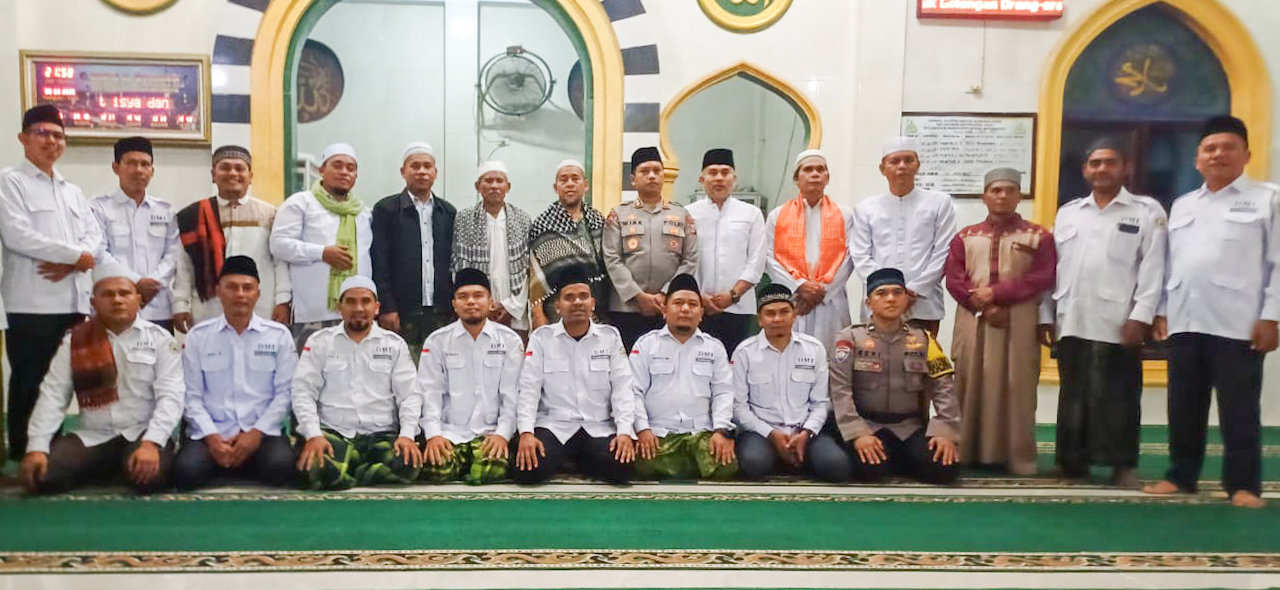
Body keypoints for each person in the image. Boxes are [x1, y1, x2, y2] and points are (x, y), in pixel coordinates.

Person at [1145, 116, 1278, 509]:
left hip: (1239, 323)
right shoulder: (1184, 205)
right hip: (1185, 320)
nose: (1218, 154)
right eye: (1210, 149)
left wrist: (1271, 316)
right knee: (1183, 406)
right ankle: (1181, 476)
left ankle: (1244, 485)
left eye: (1228, 147)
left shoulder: (1268, 199)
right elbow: (1172, 264)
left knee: (1239, 408)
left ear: (1246, 155)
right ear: (1197, 159)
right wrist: (1162, 311)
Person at [1041, 139, 1166, 487]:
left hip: (1120, 320)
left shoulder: (1145, 212)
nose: (1102, 169)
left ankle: (1121, 465)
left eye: (1110, 162)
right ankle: (1071, 464)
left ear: (1125, 168)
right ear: (1085, 170)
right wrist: (1045, 314)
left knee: (1120, 397)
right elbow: (1052, 268)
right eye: (1095, 163)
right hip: (1072, 317)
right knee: (1073, 396)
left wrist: (1141, 316)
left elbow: (1153, 268)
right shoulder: (1069, 213)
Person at [20, 263, 183, 494]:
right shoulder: (75, 341)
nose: (117, 300)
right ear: (93, 302)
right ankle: (109, 466)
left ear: (138, 300)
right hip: (93, 435)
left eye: (125, 293)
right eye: (108, 294)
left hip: (142, 432)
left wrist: (151, 443)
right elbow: (53, 395)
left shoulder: (160, 340)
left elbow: (171, 396)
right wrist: (37, 447)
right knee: (42, 478)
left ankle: (110, 467)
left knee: (151, 479)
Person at [0, 105, 102, 460]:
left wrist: (77, 260)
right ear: (23, 138)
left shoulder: (71, 190)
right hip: (31, 303)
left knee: (64, 380)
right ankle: (23, 452)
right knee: (30, 379)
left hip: (72, 302)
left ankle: (52, 448)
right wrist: (75, 257)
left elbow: (94, 236)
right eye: (43, 133)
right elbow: (17, 235)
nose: (52, 141)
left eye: (58, 135)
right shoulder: (10, 182)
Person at [945, 168, 1056, 475]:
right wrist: (982, 306)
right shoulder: (965, 236)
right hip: (973, 319)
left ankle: (1017, 457)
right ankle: (966, 452)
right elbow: (955, 279)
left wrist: (996, 294)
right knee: (970, 382)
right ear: (984, 196)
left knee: (1017, 386)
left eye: (1009, 190)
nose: (1002, 196)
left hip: (1019, 319)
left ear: (1019, 196)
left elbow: (1042, 276)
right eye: (996, 190)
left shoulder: (1038, 236)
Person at [173, 256, 298, 490]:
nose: (240, 294)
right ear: (218, 292)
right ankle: (230, 460)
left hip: (261, 432)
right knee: (186, 473)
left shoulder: (278, 336)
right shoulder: (199, 337)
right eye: (232, 287)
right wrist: (212, 438)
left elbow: (285, 394)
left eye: (247, 288)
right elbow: (190, 396)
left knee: (281, 468)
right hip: (212, 432)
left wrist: (255, 435)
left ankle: (232, 464)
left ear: (258, 293)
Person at [829, 268, 961, 484]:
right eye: (881, 293)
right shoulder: (850, 339)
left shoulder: (924, 340)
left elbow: (944, 388)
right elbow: (840, 390)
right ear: (868, 303)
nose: (890, 299)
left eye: (897, 293)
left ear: (906, 299)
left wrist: (944, 431)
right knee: (871, 471)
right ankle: (897, 461)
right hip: (869, 426)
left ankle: (903, 459)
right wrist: (858, 433)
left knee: (945, 469)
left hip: (909, 428)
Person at [292, 275, 423, 490]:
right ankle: (362, 469)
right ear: (339, 307)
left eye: (365, 301)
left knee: (409, 465)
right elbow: (303, 391)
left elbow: (410, 395)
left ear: (377, 307)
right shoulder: (320, 342)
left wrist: (407, 435)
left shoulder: (394, 344)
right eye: (351, 302)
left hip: (380, 435)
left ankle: (347, 470)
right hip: (333, 432)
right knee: (313, 464)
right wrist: (313, 435)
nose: (358, 308)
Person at [513, 265, 636, 484]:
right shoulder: (542, 338)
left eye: (583, 296)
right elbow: (529, 390)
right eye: (569, 298)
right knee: (528, 470)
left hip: (597, 426)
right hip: (554, 426)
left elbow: (622, 388)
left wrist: (625, 432)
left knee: (622, 468)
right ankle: (574, 460)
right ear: (558, 306)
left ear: (592, 303)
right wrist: (526, 433)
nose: (577, 302)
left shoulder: (610, 337)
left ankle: (573, 460)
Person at [732, 283, 849, 482]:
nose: (777, 319)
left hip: (805, 430)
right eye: (770, 313)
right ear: (760, 319)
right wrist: (771, 434)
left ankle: (796, 453)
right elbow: (739, 407)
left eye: (784, 312)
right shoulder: (745, 352)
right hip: (762, 433)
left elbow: (821, 403)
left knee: (836, 466)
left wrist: (806, 433)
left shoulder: (814, 349)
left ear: (794, 315)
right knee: (753, 463)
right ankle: (789, 457)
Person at [417, 268, 524, 484]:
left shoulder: (509, 341)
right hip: (449, 433)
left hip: (489, 434)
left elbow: (512, 396)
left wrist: (502, 435)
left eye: (478, 295)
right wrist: (434, 435)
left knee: (490, 470)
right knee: (435, 470)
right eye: (463, 297)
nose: (471, 302)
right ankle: (460, 463)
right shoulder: (437, 341)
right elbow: (429, 394)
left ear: (490, 302)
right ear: (454, 304)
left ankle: (468, 465)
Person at [172, 145, 291, 333]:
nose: (233, 173)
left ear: (250, 176)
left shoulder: (270, 215)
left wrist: (282, 301)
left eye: (239, 168)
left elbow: (280, 262)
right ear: (213, 175)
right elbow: (184, 266)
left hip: (261, 307)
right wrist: (180, 305)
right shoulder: (192, 216)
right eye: (225, 167)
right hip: (208, 308)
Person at [631, 274, 737, 480]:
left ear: (701, 313)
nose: (685, 309)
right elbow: (633, 391)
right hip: (658, 433)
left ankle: (678, 466)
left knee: (726, 465)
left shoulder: (714, 348)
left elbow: (723, 393)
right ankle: (685, 466)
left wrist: (720, 431)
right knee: (638, 463)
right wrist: (642, 429)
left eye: (693, 304)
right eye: (678, 303)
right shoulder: (646, 345)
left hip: (700, 433)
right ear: (664, 310)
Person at [849, 137, 956, 336]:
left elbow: (944, 251)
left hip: (923, 303)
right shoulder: (866, 208)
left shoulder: (939, 202)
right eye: (895, 161)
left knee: (923, 354)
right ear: (882, 169)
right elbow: (860, 255)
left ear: (918, 165)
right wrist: (887, 291)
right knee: (874, 355)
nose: (902, 166)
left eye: (908, 160)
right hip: (878, 305)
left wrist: (914, 290)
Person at [271, 143, 373, 350]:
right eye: (337, 165)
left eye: (351, 168)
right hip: (311, 313)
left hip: (356, 316)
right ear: (322, 170)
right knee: (309, 368)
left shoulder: (363, 213)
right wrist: (322, 253)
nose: (344, 172)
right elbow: (279, 245)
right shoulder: (301, 203)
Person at [603, 147, 699, 350]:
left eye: (657, 170)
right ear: (633, 179)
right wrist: (637, 296)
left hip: (668, 308)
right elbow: (612, 258)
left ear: (664, 176)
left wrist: (666, 294)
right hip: (626, 308)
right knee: (627, 360)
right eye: (645, 171)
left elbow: (690, 259)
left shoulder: (681, 214)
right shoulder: (618, 214)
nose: (652, 176)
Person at [371, 142, 457, 358]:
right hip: (400, 312)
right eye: (415, 166)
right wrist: (387, 307)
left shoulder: (447, 212)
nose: (421, 171)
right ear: (403, 172)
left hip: (441, 312)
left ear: (435, 172)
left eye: (427, 166)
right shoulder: (386, 210)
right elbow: (380, 262)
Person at [765, 149, 856, 350]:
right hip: (794, 299)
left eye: (820, 169)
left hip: (831, 300)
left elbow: (849, 258)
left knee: (832, 356)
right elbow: (769, 258)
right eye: (808, 170)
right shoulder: (777, 216)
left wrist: (820, 293)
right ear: (796, 179)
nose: (815, 174)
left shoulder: (845, 215)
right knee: (790, 355)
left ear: (827, 177)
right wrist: (799, 286)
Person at [92, 136, 180, 332]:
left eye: (145, 164)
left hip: (158, 307)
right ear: (116, 167)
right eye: (131, 163)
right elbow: (99, 253)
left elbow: (174, 254)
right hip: (116, 307)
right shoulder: (99, 208)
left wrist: (153, 283)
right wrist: (135, 283)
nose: (139, 170)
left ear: (152, 171)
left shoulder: (166, 210)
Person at [685, 148, 766, 355]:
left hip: (740, 307)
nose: (719, 178)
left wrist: (733, 295)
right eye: (712, 173)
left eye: (725, 172)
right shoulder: (688, 213)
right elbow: (683, 260)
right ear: (702, 179)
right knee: (699, 362)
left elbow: (756, 261)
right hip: (698, 307)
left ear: (734, 178)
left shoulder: (751, 214)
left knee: (736, 362)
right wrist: (698, 296)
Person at [452, 162, 532, 337]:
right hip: (476, 311)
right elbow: (459, 265)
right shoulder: (464, 219)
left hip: (515, 312)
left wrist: (508, 307)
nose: (494, 186)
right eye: (488, 181)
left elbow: (528, 270)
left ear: (508, 187)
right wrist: (483, 305)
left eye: (499, 181)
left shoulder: (522, 219)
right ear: (477, 186)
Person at [528, 159, 609, 327]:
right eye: (563, 180)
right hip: (555, 312)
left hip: (594, 308)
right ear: (556, 187)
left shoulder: (598, 220)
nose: (570, 184)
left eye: (575, 178)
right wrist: (538, 315)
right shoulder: (542, 225)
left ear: (585, 185)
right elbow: (535, 276)